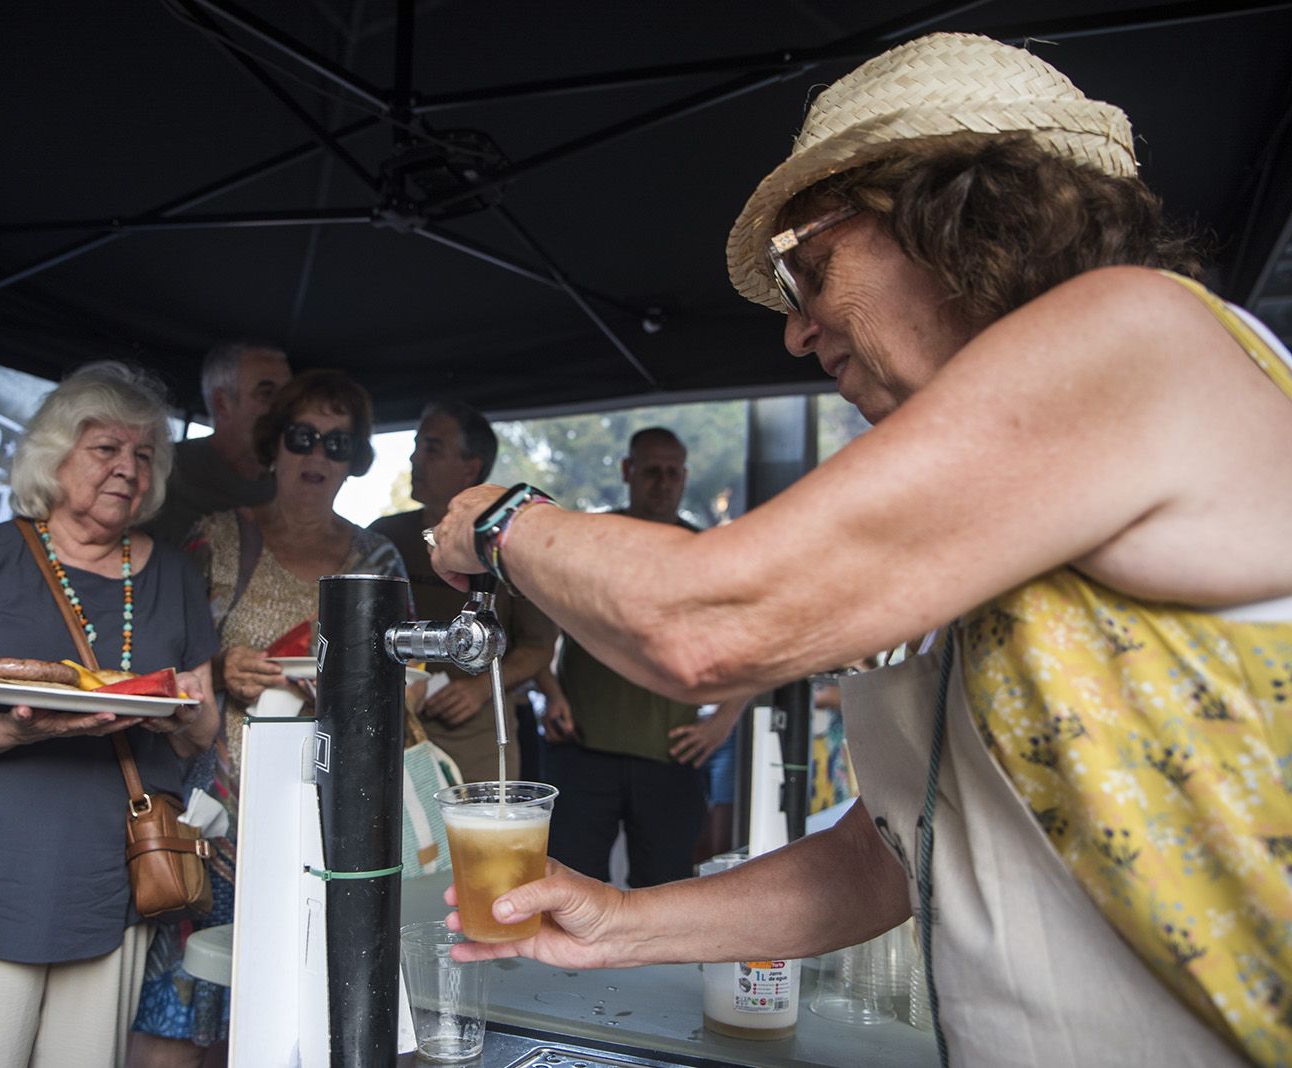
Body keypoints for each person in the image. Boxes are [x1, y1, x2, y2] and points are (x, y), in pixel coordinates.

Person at [426, 33, 1292, 1068]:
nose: (795, 332)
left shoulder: (1136, 336)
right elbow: (888, 856)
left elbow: (704, 623)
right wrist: (620, 919)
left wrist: (498, 517)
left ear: (948, 214)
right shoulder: (995, 501)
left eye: (807, 271)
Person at [0, 362, 221, 1067]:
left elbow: (202, 728)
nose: (128, 468)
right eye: (106, 448)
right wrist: (17, 726)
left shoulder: (174, 577)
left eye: (144, 454)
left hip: (114, 886)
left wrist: (179, 714)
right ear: (54, 456)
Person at [130, 369, 409, 1066]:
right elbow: (160, 667)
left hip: (328, 829)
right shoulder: (217, 538)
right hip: (216, 818)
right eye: (303, 436)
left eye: (338, 443)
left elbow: (401, 695)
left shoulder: (378, 560)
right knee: (176, 1017)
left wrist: (350, 688)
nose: (317, 456)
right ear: (275, 445)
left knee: (302, 1020)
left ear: (355, 459)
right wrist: (222, 668)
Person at [537, 428, 750, 887]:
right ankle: (566, 965)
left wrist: (724, 720)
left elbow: (753, 641)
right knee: (568, 887)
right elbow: (534, 632)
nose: (663, 481)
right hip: (583, 751)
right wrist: (550, 691)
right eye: (652, 470)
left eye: (673, 472)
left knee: (666, 892)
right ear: (628, 471)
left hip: (670, 757)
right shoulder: (590, 542)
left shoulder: (704, 555)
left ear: (686, 476)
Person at [369, 399, 557, 781]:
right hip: (387, 737)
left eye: (432, 449)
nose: (413, 459)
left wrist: (480, 688)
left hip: (475, 745)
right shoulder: (384, 538)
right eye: (416, 445)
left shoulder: (509, 547)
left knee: (476, 841)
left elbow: (539, 647)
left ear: (470, 468)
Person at [143, 340, 291, 546]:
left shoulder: (294, 488)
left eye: (289, 397)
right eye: (267, 393)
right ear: (222, 403)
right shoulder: (160, 470)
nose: (284, 408)